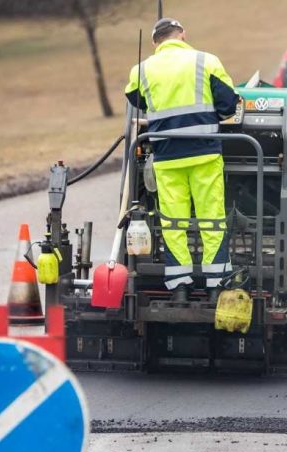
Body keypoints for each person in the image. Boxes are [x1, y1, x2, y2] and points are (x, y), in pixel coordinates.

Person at [125, 18, 239, 304]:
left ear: (155, 43)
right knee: (211, 218)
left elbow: (136, 99)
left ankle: (179, 288)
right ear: (182, 36)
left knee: (173, 223)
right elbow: (228, 106)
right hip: (204, 154)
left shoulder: (142, 69)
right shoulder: (206, 61)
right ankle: (215, 286)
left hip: (166, 158)